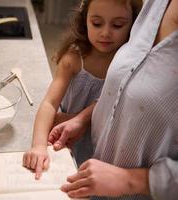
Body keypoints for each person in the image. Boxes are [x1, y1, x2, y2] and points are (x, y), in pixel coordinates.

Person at [48, 0, 178, 199]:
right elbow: (127, 88)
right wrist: (83, 119)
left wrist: (131, 180)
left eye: (117, 25)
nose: (106, 33)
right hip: (93, 179)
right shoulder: (155, 4)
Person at [23, 0, 143, 180]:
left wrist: (74, 118)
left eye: (118, 25)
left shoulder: (131, 62)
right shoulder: (74, 58)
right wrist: (39, 145)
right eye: (96, 23)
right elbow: (49, 103)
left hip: (105, 144)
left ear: (133, 24)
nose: (105, 33)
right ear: (84, 19)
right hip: (68, 137)